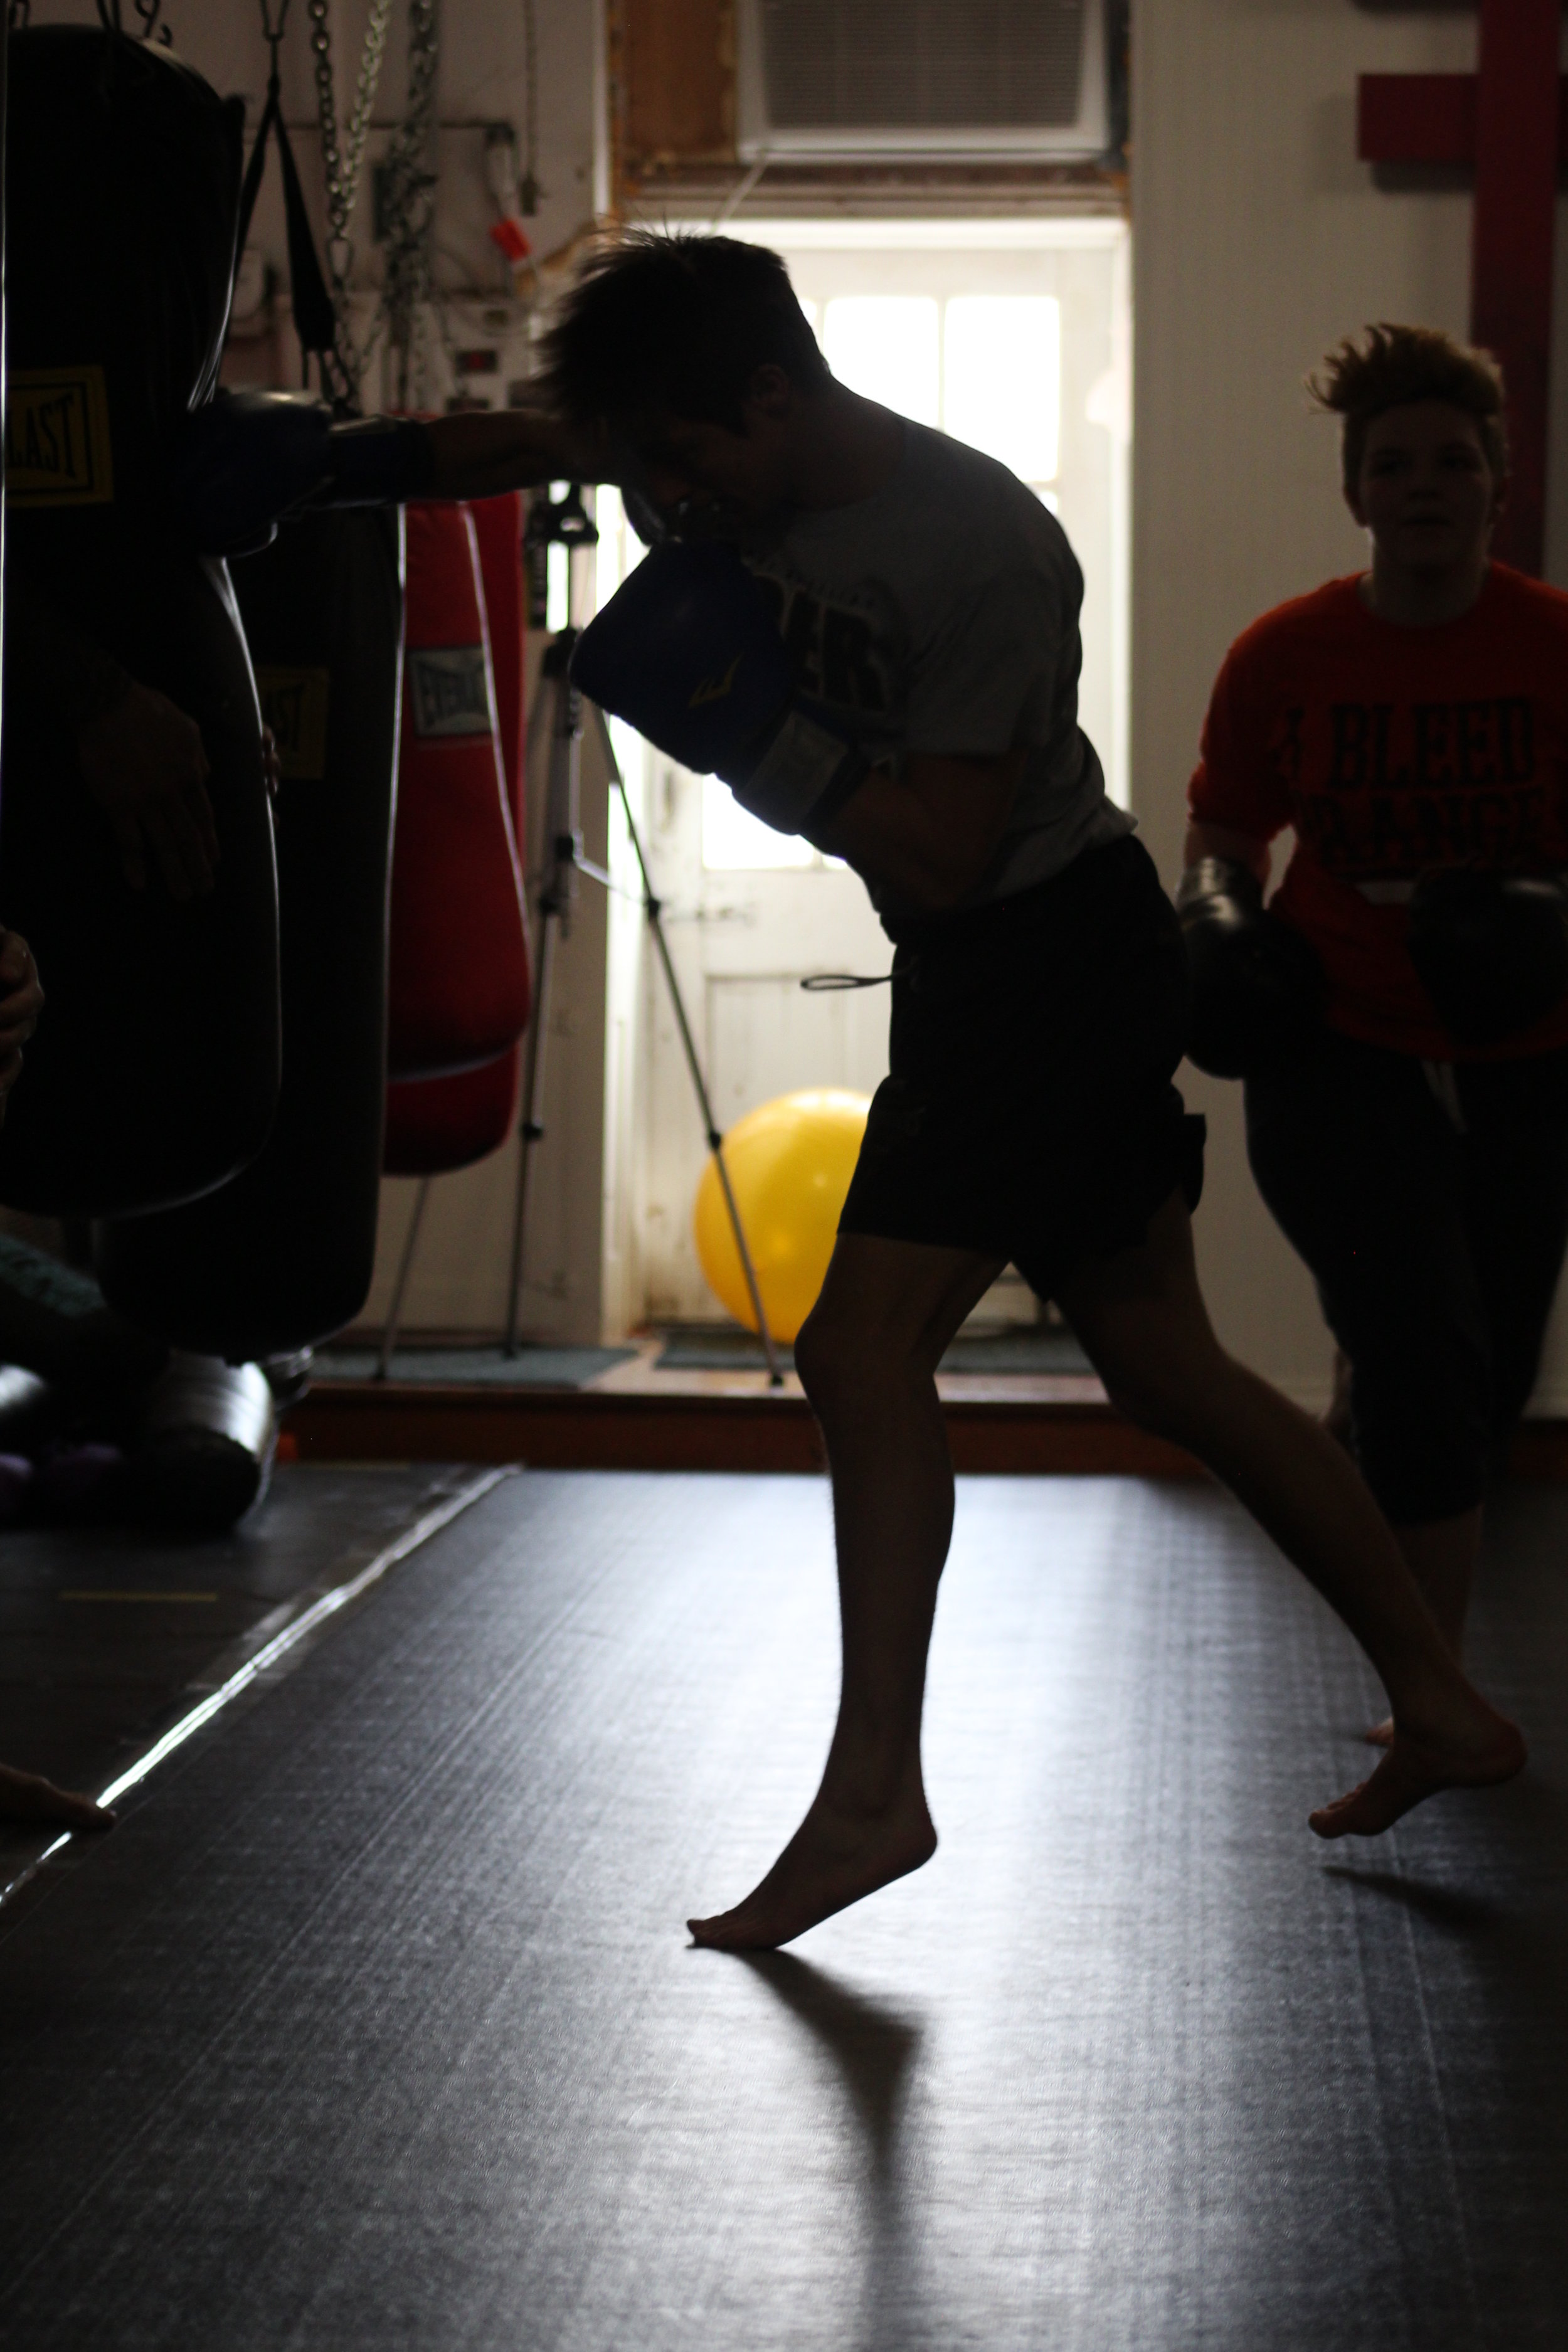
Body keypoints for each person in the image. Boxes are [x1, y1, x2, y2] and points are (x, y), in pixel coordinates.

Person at [208, 239, 1528, 1946]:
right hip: (991, 967)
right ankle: (1437, 1696)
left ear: (774, 392)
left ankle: (872, 1795)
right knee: (1167, 1362)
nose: (664, 501)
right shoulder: (695, 428)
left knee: (854, 1344)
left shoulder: (980, 547)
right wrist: (336, 462)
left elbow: (943, 844)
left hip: (1043, 950)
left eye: (681, 463)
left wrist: (752, 728)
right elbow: (518, 450)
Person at [1184, 322, 1568, 1746]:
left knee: (1497, 1364)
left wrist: (1540, 910)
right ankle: (1432, 1689)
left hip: (1525, 1040)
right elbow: (1224, 824)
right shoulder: (1285, 654)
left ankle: (1375, 1415)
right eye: (1390, 464)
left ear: (1493, 488)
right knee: (1423, 1353)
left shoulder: (1550, 646)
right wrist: (1216, 918)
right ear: (1353, 493)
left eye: (1449, 462)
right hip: (1337, 1034)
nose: (1421, 484)